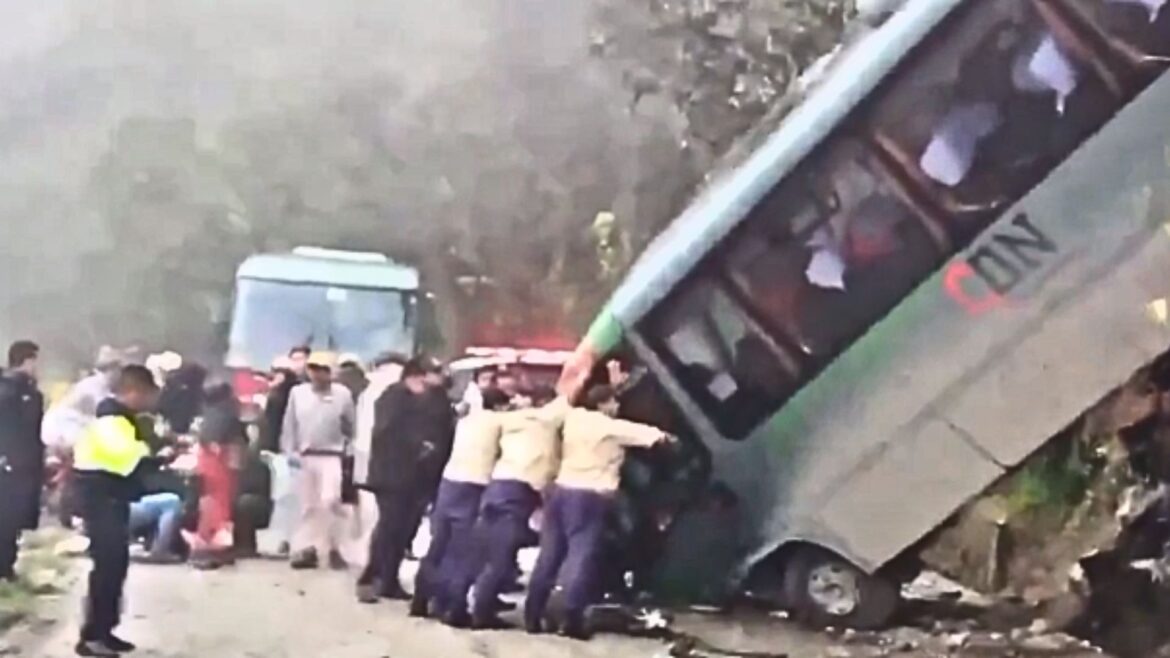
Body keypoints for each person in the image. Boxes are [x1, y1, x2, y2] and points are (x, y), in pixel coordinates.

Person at [525, 384, 671, 639]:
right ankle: (570, 619)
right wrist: (667, 438)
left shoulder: (574, 419)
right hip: (588, 497)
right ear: (603, 404)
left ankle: (533, 614)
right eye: (613, 402)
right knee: (580, 556)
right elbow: (645, 434)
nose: (616, 407)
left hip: (560, 491)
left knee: (549, 555)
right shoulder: (608, 427)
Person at [72, 365, 160, 657]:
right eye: (146, 394)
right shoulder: (112, 420)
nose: (148, 401)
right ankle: (92, 636)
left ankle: (106, 630)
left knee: (116, 565)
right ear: (133, 391)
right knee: (106, 568)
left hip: (111, 498)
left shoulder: (121, 419)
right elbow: (128, 457)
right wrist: (153, 451)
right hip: (101, 499)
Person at [462, 387, 567, 630]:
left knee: (495, 555)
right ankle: (482, 613)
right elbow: (542, 467)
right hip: (513, 495)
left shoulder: (515, 422)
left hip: (497, 489)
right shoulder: (540, 426)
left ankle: (480, 605)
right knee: (499, 560)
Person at [412, 387, 511, 622]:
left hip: (450, 481)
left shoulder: (466, 420)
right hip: (474, 484)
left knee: (439, 545)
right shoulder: (500, 422)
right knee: (462, 550)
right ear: (500, 406)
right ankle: (452, 607)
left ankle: (421, 598)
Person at [358, 359, 453, 602]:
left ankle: (390, 579)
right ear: (417, 376)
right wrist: (419, 444)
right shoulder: (394, 397)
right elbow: (386, 433)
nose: (440, 378)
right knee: (390, 527)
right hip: (393, 477)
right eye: (435, 373)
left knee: (406, 531)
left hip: (420, 479)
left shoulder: (435, 399)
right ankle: (371, 577)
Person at [282, 352, 355, 570]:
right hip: (306, 456)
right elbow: (290, 425)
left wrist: (350, 450)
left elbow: (351, 425)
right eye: (313, 368)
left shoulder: (342, 395)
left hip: (332, 455)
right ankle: (307, 549)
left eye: (323, 369)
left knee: (331, 501)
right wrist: (289, 451)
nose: (317, 374)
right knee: (308, 507)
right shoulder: (298, 393)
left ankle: (334, 548)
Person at [348, 353, 405, 571]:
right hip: (377, 460)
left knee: (373, 513)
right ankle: (372, 560)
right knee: (375, 514)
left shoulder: (370, 393)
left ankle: (370, 557)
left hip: (370, 458)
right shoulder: (381, 394)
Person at [188, 381, 246, 569]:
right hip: (221, 464)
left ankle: (209, 547)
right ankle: (211, 549)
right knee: (220, 508)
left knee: (210, 506)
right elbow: (237, 443)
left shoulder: (208, 415)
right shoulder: (228, 415)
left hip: (207, 463)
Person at [0, 341, 45, 582]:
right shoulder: (8, 391)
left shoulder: (28, 392)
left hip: (24, 464)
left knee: (13, 519)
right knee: (6, 517)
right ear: (27, 360)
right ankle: (4, 566)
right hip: (11, 465)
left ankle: (7, 564)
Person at [127, 492, 184, 564]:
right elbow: (165, 527)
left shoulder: (165, 501)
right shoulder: (174, 502)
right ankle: (160, 551)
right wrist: (160, 551)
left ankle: (159, 551)